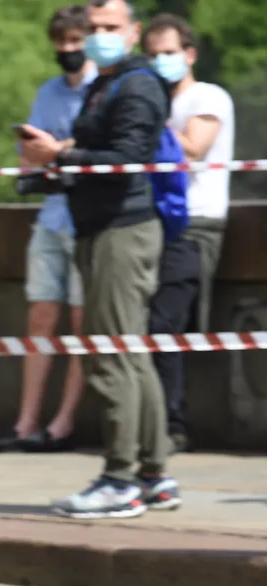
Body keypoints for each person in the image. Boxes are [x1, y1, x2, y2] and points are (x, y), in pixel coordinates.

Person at [21, 0, 181, 518]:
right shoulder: (104, 84)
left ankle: (120, 479)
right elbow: (100, 153)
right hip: (101, 226)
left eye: (110, 28)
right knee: (130, 352)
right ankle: (154, 475)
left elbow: (129, 158)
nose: (98, 37)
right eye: (92, 29)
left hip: (122, 230)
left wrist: (61, 156)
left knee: (111, 354)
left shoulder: (137, 84)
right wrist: (52, 167)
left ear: (133, 33)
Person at [0, 5, 94, 454]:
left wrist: (59, 149)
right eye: (61, 43)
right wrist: (44, 152)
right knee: (41, 319)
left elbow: (104, 149)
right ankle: (26, 421)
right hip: (52, 216)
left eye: (75, 42)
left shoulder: (105, 88)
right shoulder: (50, 91)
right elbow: (29, 153)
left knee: (81, 323)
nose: (67, 50)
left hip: (90, 218)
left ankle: (63, 423)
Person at [142, 13, 236, 453]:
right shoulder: (160, 100)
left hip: (195, 226)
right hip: (157, 222)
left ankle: (172, 425)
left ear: (189, 54)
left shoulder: (207, 97)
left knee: (166, 326)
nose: (162, 61)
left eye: (169, 53)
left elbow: (194, 148)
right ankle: (157, 422)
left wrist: (144, 123)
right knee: (149, 328)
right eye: (154, 54)